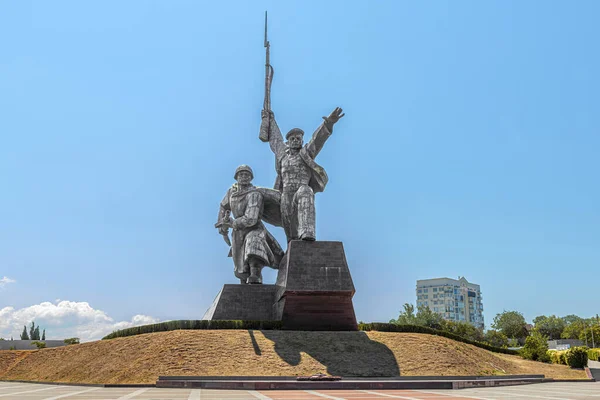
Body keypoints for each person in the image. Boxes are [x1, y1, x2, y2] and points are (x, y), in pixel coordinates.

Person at [260, 107, 344, 241]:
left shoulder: (306, 153)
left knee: (306, 190)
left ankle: (307, 232)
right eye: (292, 139)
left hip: (300, 192)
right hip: (284, 197)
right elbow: (275, 139)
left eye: (298, 139)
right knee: (292, 239)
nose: (295, 141)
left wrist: (328, 123)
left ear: (302, 141)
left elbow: (317, 139)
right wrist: (270, 118)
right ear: (287, 143)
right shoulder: (282, 156)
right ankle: (251, 219)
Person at [216, 165, 284, 284]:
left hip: (254, 228)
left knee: (253, 246)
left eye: (247, 174)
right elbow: (223, 206)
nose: (244, 176)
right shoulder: (232, 192)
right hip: (238, 232)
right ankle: (245, 282)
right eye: (241, 174)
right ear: (236, 177)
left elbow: (251, 218)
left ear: (251, 178)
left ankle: (256, 275)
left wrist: (232, 223)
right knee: (241, 264)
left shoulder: (254, 194)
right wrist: (222, 224)